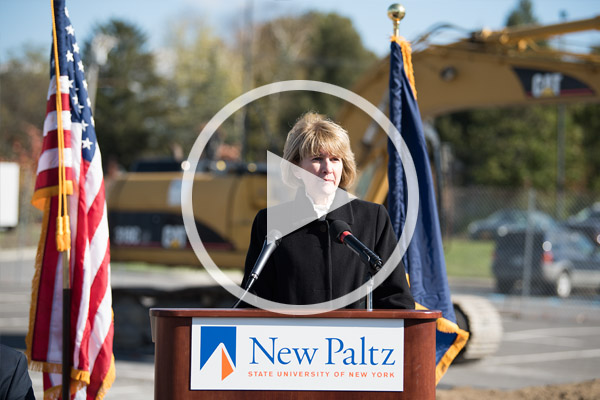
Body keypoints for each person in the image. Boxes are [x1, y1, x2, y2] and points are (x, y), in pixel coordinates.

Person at [241, 113, 414, 309]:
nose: (327, 168)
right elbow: (253, 302)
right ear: (296, 167)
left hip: (356, 339)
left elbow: (397, 300)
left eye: (335, 159)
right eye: (317, 159)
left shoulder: (373, 219)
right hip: (291, 339)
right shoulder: (270, 221)